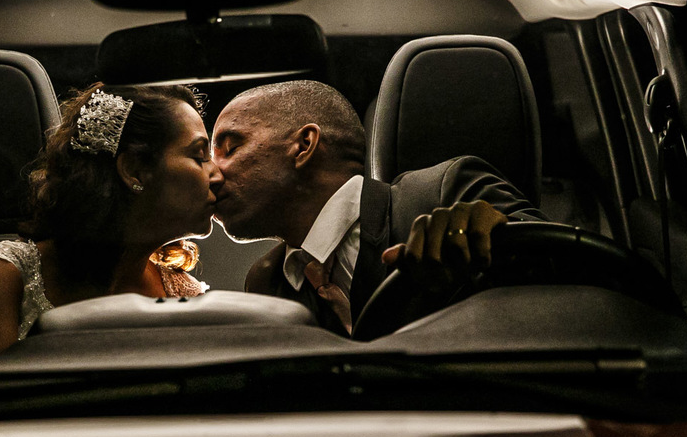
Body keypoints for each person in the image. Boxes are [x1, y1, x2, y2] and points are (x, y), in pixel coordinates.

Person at [210, 80, 545, 336]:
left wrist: (501, 238)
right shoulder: (266, 282)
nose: (211, 173)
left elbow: (564, 271)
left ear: (304, 145)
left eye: (230, 148)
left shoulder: (448, 192)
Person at [0, 83, 220, 366]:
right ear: (134, 170)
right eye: (200, 156)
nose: (218, 175)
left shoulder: (184, 293)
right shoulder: (4, 279)